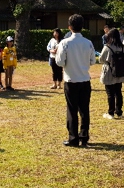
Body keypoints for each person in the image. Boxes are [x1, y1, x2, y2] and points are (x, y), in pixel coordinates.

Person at [55, 14, 96, 148]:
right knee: (84, 110)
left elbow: (60, 62)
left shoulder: (65, 43)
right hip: (85, 79)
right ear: (82, 27)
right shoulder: (88, 43)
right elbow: (93, 61)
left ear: (69, 27)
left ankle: (73, 138)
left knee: (72, 110)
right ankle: (84, 137)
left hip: (71, 80)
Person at [99, 28, 124, 119]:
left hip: (109, 72)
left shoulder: (107, 47)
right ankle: (119, 112)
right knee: (118, 92)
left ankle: (110, 113)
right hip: (120, 71)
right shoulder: (122, 47)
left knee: (110, 93)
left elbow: (101, 59)